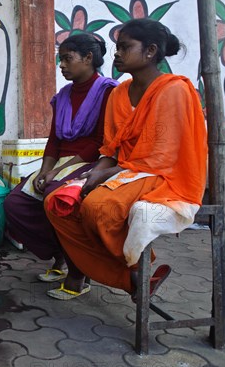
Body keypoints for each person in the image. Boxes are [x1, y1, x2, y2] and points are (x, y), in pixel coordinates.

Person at [44, 19, 207, 300]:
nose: (116, 53)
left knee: (99, 208)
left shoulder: (174, 90)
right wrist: (95, 172)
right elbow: (110, 148)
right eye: (117, 47)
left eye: (124, 47)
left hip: (163, 176)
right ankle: (134, 281)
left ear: (150, 51)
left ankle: (133, 275)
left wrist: (106, 175)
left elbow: (163, 158)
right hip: (125, 171)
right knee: (58, 203)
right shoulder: (119, 93)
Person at [3, 34, 118, 282]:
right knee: (15, 203)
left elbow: (100, 143)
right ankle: (61, 255)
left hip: (92, 163)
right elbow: (54, 140)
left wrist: (55, 173)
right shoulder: (63, 96)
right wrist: (45, 170)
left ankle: (78, 269)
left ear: (88, 58)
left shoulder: (109, 92)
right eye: (60, 59)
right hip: (60, 163)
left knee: (54, 197)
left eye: (67, 59)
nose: (62, 65)